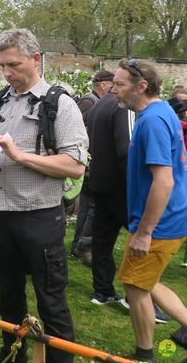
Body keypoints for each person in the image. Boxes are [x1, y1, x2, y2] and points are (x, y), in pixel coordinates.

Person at [0, 28, 88, 363]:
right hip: (2, 215)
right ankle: (12, 353)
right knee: (8, 296)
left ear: (36, 59)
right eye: (2, 66)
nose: (7, 72)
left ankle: (59, 358)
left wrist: (20, 155)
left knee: (50, 297)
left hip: (40, 216)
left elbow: (75, 165)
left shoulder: (60, 104)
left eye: (14, 64)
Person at [111, 58, 187, 363]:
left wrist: (144, 232)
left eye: (119, 84)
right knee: (145, 281)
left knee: (135, 285)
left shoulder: (153, 120)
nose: (113, 90)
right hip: (169, 218)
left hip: (160, 223)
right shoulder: (159, 112)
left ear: (141, 86)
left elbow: (164, 181)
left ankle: (144, 355)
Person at [85, 92, 133, 306]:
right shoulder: (123, 107)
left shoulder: (100, 104)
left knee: (102, 241)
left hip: (99, 182)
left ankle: (102, 291)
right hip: (121, 185)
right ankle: (137, 296)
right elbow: (127, 149)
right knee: (140, 239)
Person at [71, 69, 115, 267]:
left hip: (91, 162)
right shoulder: (90, 101)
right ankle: (82, 245)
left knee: (87, 206)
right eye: (114, 86)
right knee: (89, 207)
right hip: (89, 162)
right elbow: (75, 130)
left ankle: (78, 244)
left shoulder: (95, 101)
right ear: (104, 85)